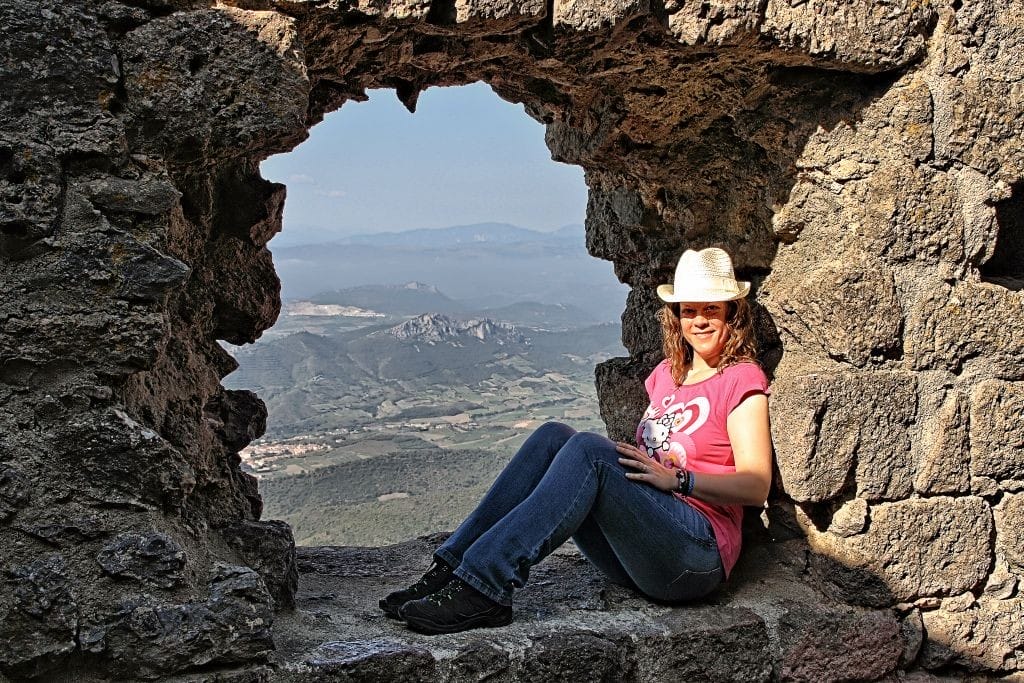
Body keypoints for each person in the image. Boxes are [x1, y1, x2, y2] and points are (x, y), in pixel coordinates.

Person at [379, 247, 773, 635]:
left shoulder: (740, 380)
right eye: (689, 310)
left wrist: (679, 480)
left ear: (731, 314)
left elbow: (756, 486)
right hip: (642, 551)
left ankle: (484, 585)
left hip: (693, 557)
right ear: (677, 316)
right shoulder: (666, 376)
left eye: (712, 310)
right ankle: (454, 569)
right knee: (553, 437)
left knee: (590, 450)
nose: (700, 321)